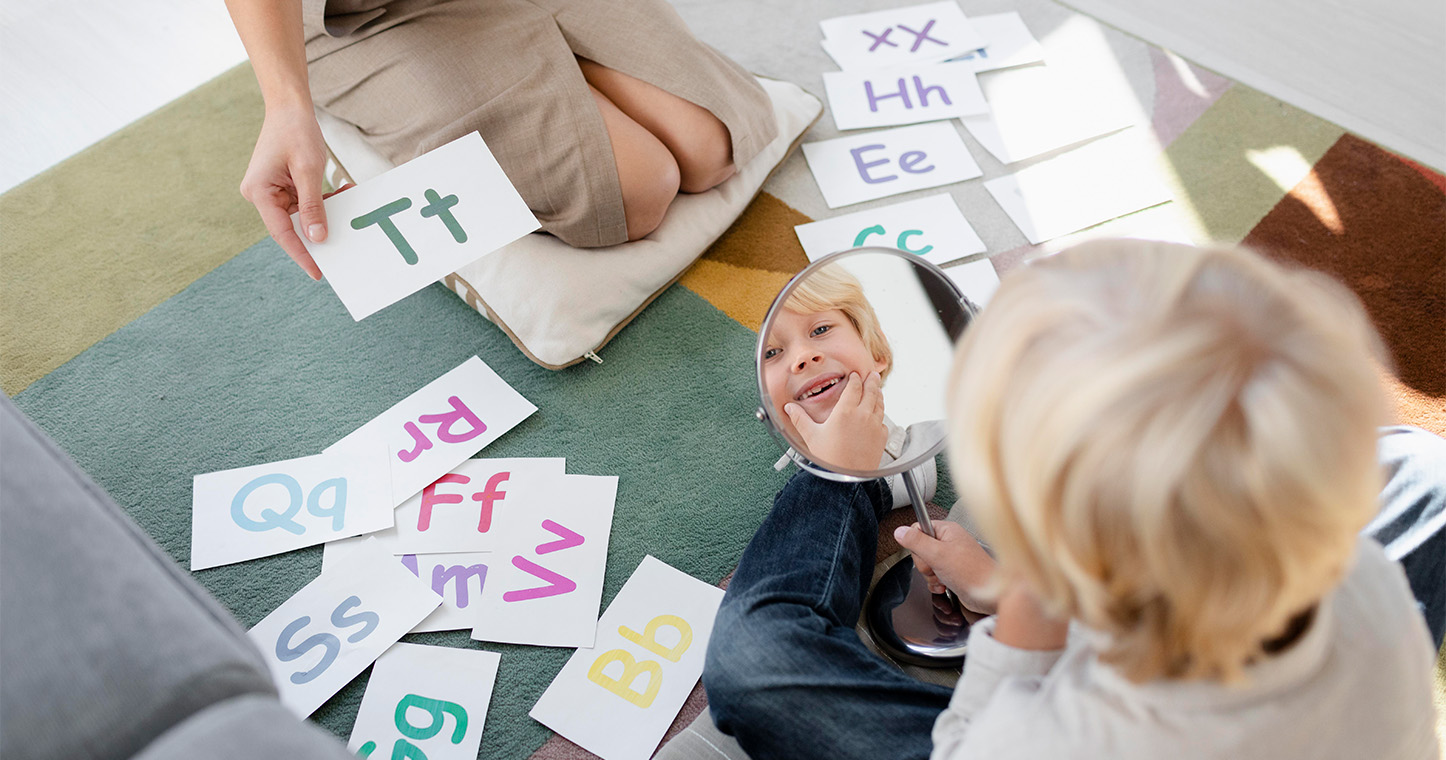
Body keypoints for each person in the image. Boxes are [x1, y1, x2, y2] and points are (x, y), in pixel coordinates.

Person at [705, 240, 1444, 760]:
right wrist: (1008, 585)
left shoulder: (1061, 736)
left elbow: (971, 745)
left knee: (755, 659)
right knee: (1426, 470)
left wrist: (1023, 616)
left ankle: (843, 474)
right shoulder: (1361, 579)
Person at [223, 0, 777, 279]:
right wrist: (286, 104)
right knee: (633, 190)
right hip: (360, 15)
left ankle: (560, 68)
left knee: (711, 144)